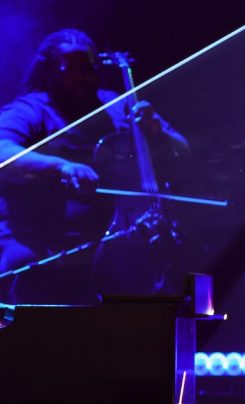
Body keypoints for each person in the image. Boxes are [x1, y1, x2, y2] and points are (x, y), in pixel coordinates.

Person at [0, 29, 188, 303]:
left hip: (116, 236)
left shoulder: (118, 105)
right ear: (49, 70)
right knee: (22, 267)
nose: (82, 75)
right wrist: (60, 166)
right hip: (42, 238)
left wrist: (158, 133)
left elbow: (183, 150)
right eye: (71, 69)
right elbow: (3, 152)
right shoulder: (29, 110)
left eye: (87, 67)